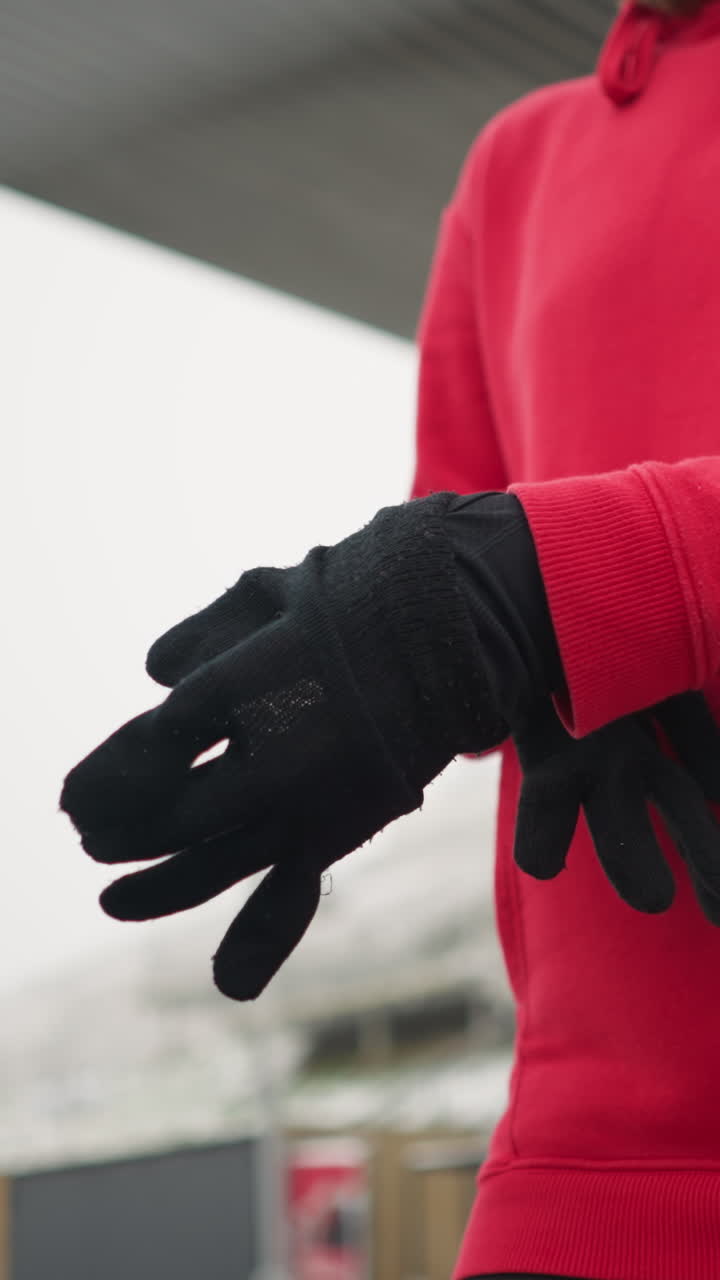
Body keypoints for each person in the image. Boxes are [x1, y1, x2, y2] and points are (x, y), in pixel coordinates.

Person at [60, 0, 720, 1276]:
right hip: (586, 1167)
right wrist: (467, 644)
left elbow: (535, 571)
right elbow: (474, 568)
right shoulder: (519, 164)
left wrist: (609, 576)